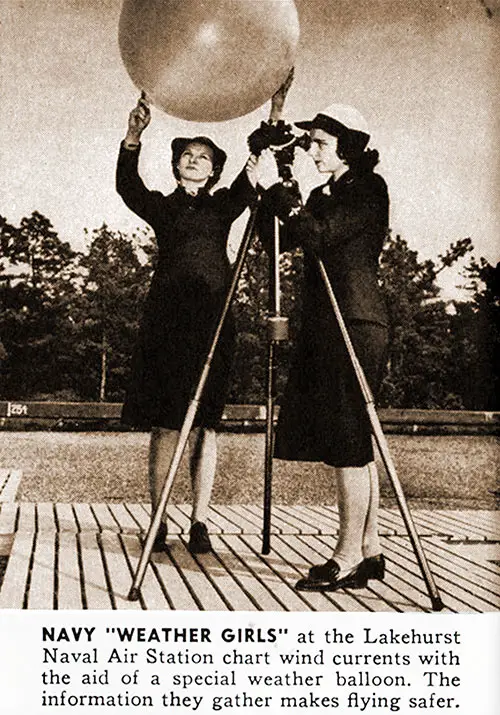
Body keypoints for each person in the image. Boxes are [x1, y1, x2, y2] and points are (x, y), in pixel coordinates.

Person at [117, 94, 259, 554]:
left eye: (204, 157)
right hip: (167, 325)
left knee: (207, 427)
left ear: (215, 171)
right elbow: (127, 187)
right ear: (177, 166)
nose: (195, 161)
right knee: (166, 425)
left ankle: (199, 522)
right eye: (187, 156)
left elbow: (258, 162)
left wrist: (276, 107)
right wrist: (133, 136)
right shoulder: (162, 207)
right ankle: (158, 521)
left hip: (215, 324)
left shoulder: (224, 206)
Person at [259, 103, 390, 591]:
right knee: (352, 442)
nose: (312, 149)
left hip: (353, 320)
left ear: (348, 147)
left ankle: (347, 555)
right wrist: (273, 186)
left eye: (320, 143)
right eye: (310, 142)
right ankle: (370, 548)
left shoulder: (367, 189)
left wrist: (276, 189)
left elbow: (317, 236)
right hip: (327, 324)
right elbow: (285, 239)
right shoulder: (322, 192)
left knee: (348, 444)